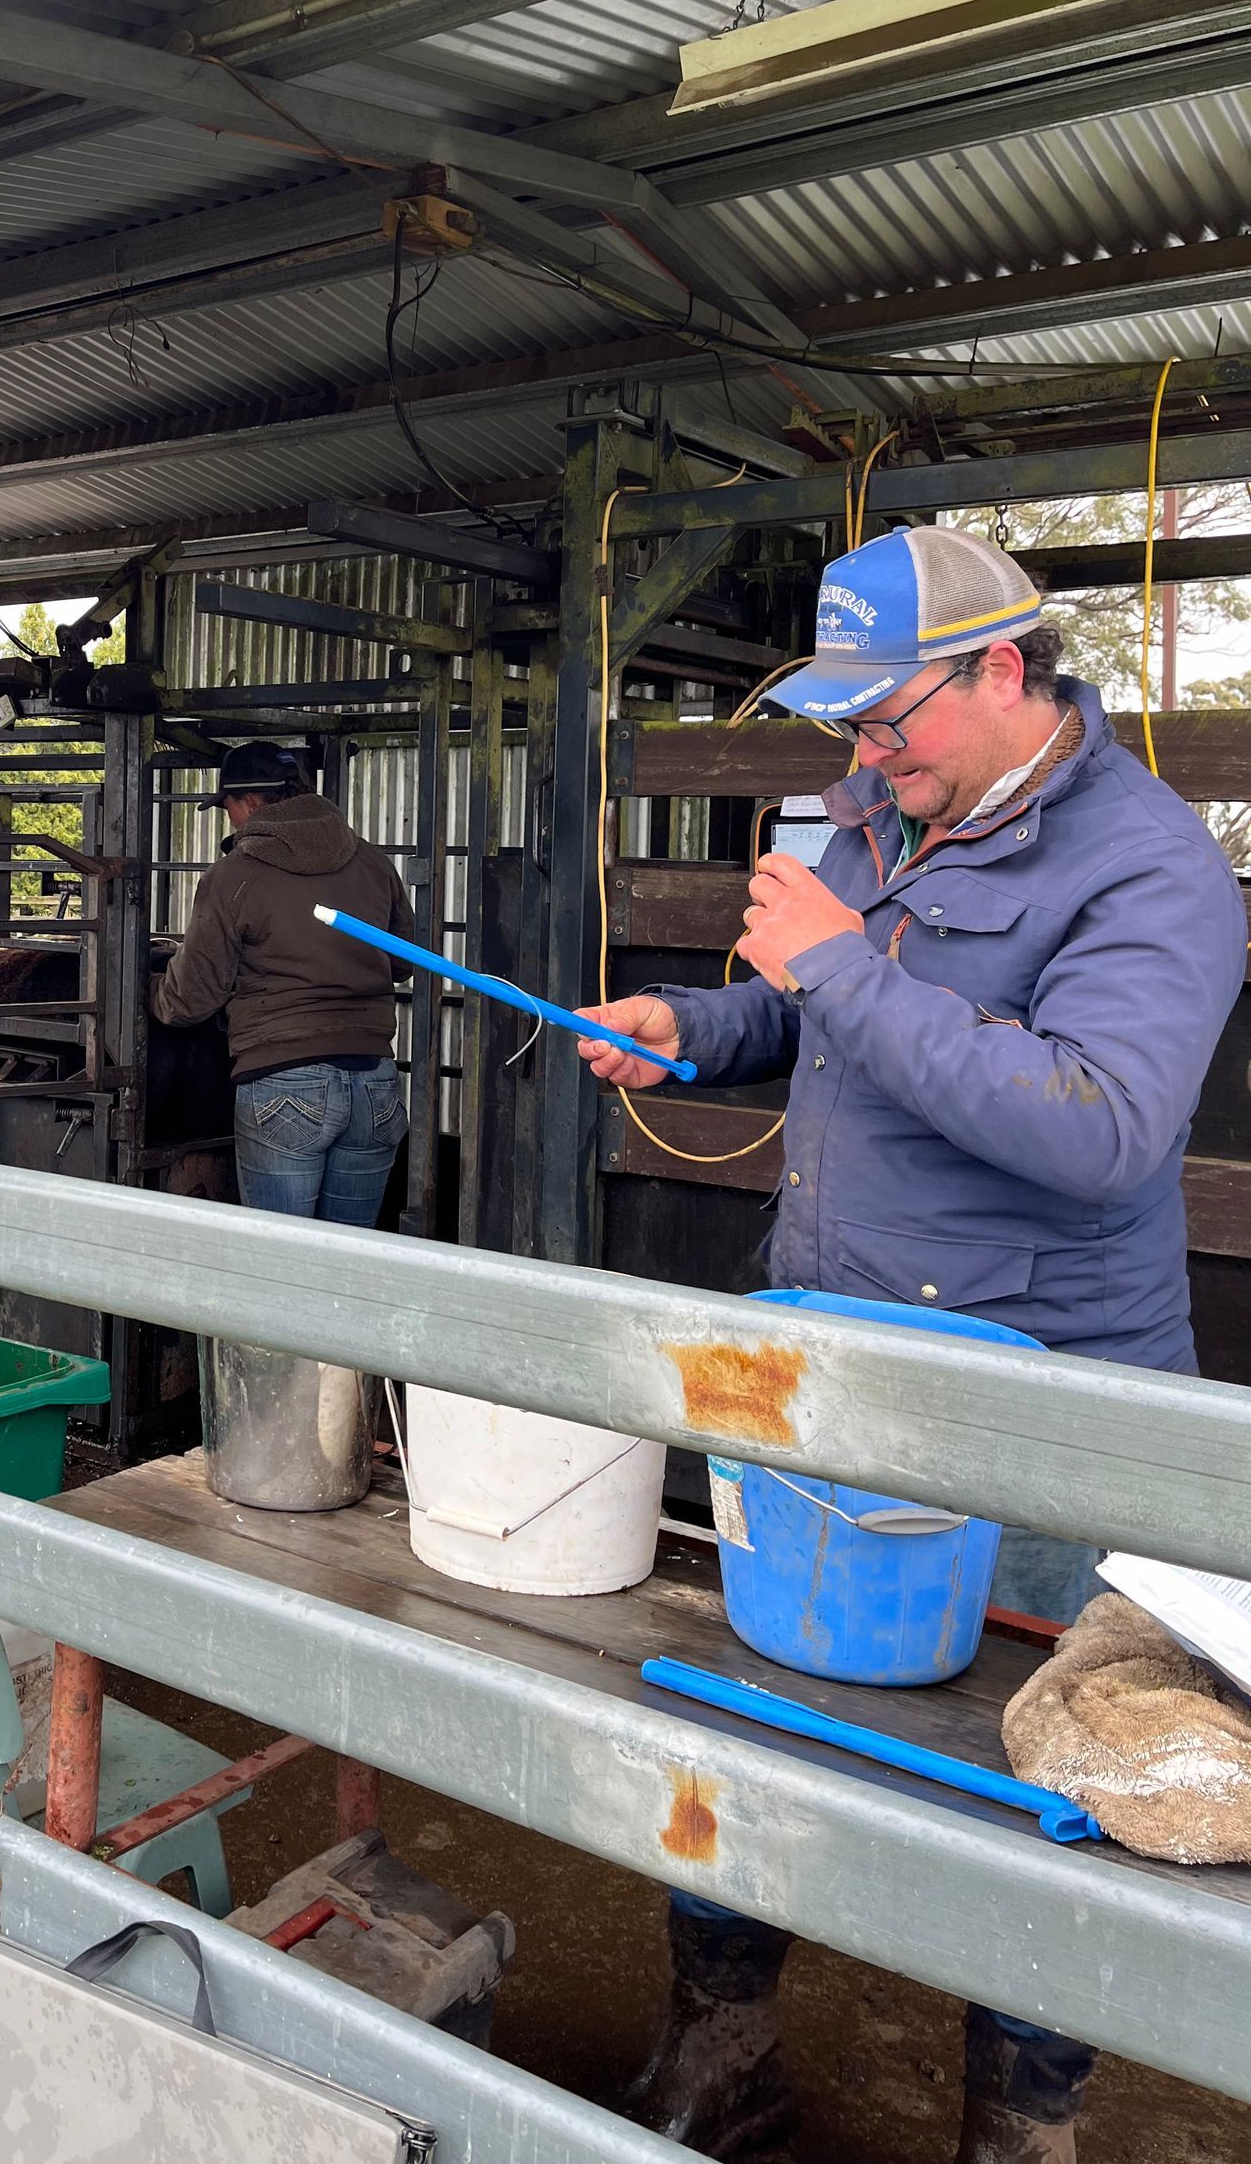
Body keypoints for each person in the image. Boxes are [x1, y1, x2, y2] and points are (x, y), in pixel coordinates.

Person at [576, 524, 1246, 2164]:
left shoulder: (1151, 868)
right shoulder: (889, 811)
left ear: (1003, 670)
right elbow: (822, 1015)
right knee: (766, 1705)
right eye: (850, 726)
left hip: (1043, 1410)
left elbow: (1098, 1125)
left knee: (1041, 1788)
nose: (866, 757)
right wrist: (696, 1028)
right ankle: (724, 2050)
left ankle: (1019, 2126)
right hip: (840, 1373)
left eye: (889, 720)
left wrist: (828, 959)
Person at [153, 742, 413, 1226]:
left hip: (284, 1082)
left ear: (250, 802)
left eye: (228, 807)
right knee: (351, 1255)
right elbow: (401, 962)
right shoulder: (374, 864)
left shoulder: (234, 876)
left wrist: (150, 990)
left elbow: (190, 1000)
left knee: (279, 1256)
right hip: (374, 1083)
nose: (229, 820)